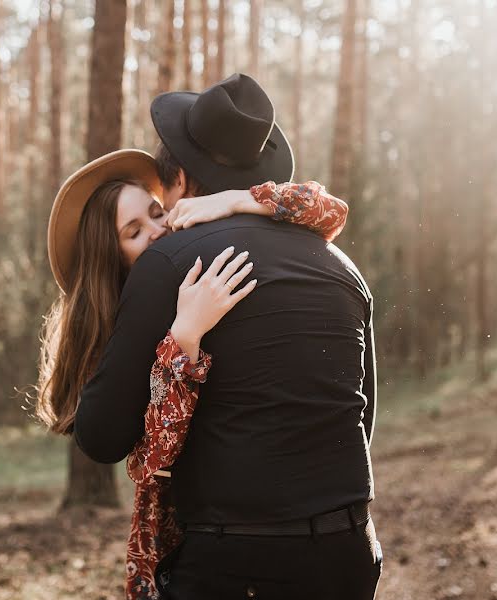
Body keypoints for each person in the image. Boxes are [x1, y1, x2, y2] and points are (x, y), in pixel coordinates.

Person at [74, 73, 382, 599]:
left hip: (234, 565)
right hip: (351, 553)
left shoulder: (170, 264)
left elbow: (101, 436)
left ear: (180, 183)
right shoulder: (341, 265)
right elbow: (361, 416)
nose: (162, 222)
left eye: (159, 205)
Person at [37, 149, 348, 599]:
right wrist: (184, 336)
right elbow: (151, 457)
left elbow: (330, 210)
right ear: (112, 257)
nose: (158, 229)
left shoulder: (194, 260)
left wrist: (237, 200)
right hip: (182, 548)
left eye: (156, 212)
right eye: (133, 231)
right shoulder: (134, 324)